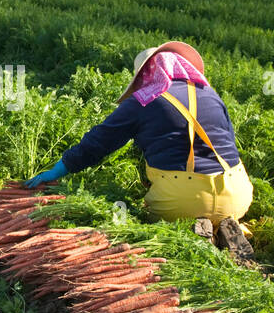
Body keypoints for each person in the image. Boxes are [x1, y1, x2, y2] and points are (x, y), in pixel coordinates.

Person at [26, 41, 253, 226]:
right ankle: (224, 226)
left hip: (180, 201)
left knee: (150, 214)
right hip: (238, 194)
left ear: (146, 74)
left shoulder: (144, 100)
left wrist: (57, 171)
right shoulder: (212, 95)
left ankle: (195, 226)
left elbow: (97, 143)